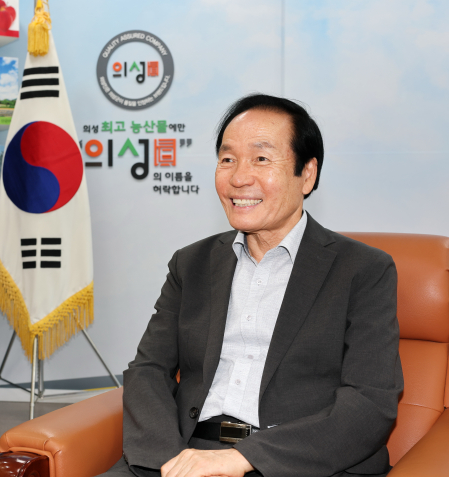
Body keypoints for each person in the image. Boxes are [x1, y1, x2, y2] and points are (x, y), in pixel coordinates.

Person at [104, 94, 403, 477]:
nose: (239, 177)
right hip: (186, 455)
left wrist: (242, 458)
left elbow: (370, 402)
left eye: (261, 159)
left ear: (307, 174)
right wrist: (169, 462)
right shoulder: (191, 263)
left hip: (293, 462)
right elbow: (148, 370)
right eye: (228, 159)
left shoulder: (363, 270)